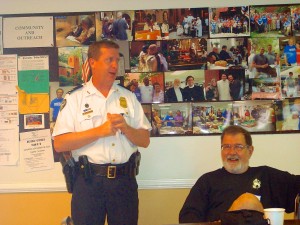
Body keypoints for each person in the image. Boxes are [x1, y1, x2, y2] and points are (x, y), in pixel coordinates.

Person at [52, 40, 151, 225]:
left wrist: (126, 128)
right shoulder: (74, 99)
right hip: (88, 183)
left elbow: (145, 140)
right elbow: (59, 143)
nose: (115, 65)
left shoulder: (128, 98)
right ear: (92, 62)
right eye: (109, 60)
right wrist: (99, 131)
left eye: (117, 60)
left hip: (124, 183)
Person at [179, 125, 300, 223]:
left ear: (250, 151)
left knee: (248, 200)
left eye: (238, 147)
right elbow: (188, 218)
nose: (231, 152)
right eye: (226, 147)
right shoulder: (207, 181)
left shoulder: (267, 176)